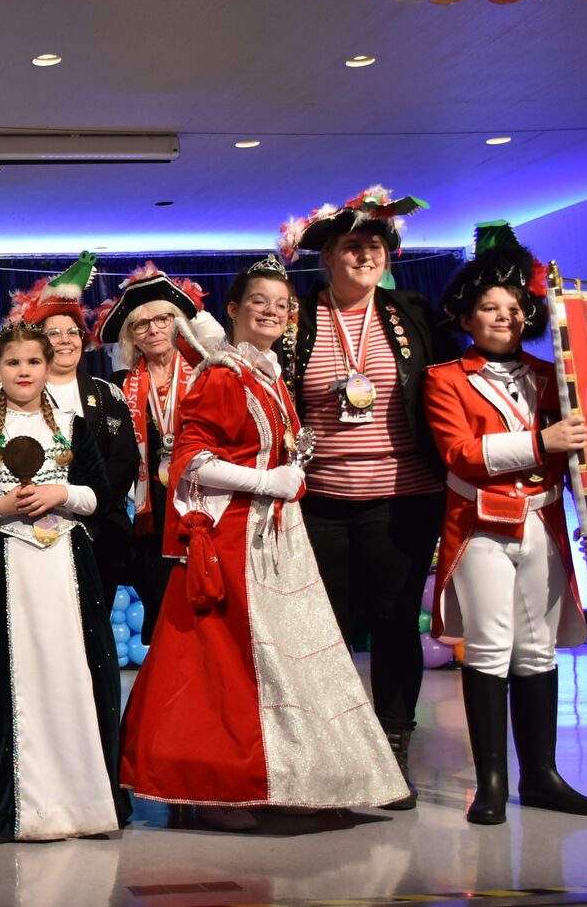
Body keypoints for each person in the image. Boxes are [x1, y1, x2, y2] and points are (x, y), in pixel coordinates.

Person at [120, 257, 408, 830]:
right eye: (259, 302)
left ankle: (285, 778)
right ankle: (219, 788)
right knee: (227, 667)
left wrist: (290, 467)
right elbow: (192, 461)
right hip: (233, 540)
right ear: (233, 309)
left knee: (272, 663)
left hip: (272, 536)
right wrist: (266, 480)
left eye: (282, 304)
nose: (272, 312)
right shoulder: (222, 375)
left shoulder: (268, 375)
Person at [423, 222, 587, 825]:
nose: (505, 316)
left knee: (536, 650)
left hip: (544, 524)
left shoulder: (553, 376)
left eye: (514, 307)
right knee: (488, 647)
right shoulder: (443, 379)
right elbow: (460, 454)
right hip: (480, 527)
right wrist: (539, 441)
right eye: (490, 307)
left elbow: (582, 459)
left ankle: (542, 776)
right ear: (466, 317)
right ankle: (491, 783)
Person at [278, 185, 456, 807]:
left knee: (395, 623)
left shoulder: (414, 313)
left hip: (404, 498)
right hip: (319, 500)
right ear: (326, 256)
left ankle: (393, 745)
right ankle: (335, 750)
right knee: (325, 628)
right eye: (352, 245)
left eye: (375, 245)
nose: (364, 255)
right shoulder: (296, 320)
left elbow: (449, 390)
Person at [0, 323, 122, 842]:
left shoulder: (73, 426)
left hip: (66, 567)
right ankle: (15, 799)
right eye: (13, 363)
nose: (24, 372)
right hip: (7, 566)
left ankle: (83, 798)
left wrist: (61, 493)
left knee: (72, 669)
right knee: (12, 674)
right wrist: (2, 505)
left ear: (48, 365)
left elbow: (100, 495)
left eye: (33, 362)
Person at [10, 254, 140, 614]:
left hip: (100, 533)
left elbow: (124, 461)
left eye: (72, 332)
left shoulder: (108, 394)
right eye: (54, 333)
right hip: (37, 529)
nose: (65, 340)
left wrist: (80, 498)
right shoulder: (19, 397)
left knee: (94, 629)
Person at [94, 263, 207, 644]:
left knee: (202, 611)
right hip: (147, 517)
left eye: (163, 319)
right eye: (141, 324)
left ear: (179, 324)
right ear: (131, 336)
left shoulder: (206, 374)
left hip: (200, 508)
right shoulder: (118, 386)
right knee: (162, 614)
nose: (154, 329)